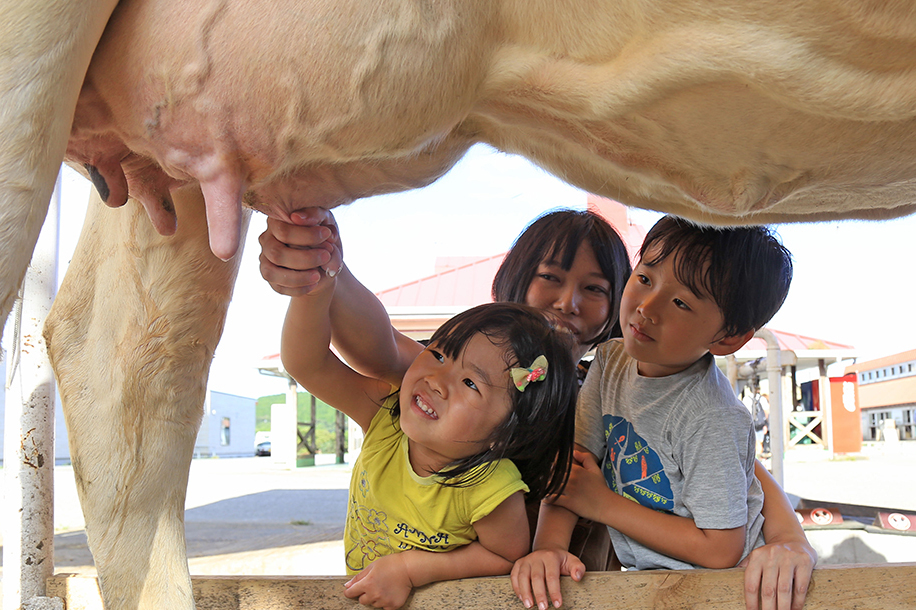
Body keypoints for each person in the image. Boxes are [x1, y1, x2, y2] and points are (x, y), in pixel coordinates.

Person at [258, 207, 816, 610]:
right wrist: (325, 264)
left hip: (571, 589)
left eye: (594, 288)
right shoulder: (460, 381)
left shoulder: (609, 382)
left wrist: (789, 541)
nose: (567, 301)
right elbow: (378, 349)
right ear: (513, 280)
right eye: (550, 278)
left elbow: (738, 464)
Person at [510, 215, 800, 609]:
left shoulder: (711, 417)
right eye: (645, 279)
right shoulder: (611, 361)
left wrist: (603, 504)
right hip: (655, 579)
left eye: (681, 302)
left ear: (728, 337)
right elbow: (573, 472)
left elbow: (721, 550)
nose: (646, 307)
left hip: (728, 587)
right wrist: (548, 549)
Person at [278, 264, 579, 610]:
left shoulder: (491, 486)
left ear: (507, 433)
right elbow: (307, 364)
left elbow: (505, 556)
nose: (437, 379)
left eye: (470, 383)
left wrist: (410, 570)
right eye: (438, 353)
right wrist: (313, 291)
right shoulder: (385, 419)